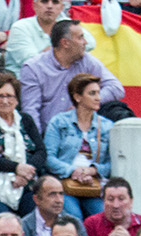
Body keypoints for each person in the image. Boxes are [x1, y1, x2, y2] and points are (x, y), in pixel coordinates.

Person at [17, 19, 121, 135]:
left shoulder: (87, 61)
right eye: (80, 38)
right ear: (65, 43)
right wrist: (39, 145)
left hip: (83, 134)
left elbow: (116, 88)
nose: (85, 42)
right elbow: (31, 111)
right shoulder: (33, 68)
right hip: (49, 135)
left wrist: (85, 101)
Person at [41, 70, 110, 223]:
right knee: (73, 219)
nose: (98, 98)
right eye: (92, 93)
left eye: (98, 93)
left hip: (93, 184)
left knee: (102, 219)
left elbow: (112, 163)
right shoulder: (59, 122)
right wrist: (73, 171)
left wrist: (92, 170)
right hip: (64, 184)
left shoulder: (106, 126)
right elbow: (48, 157)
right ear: (77, 97)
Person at [0, 72, 45, 218]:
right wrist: (16, 168)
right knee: (5, 220)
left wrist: (26, 174)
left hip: (26, 183)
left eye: (9, 96)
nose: (5, 101)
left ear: (17, 99)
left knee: (36, 217)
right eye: (0, 96)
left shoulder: (25, 120)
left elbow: (41, 151)